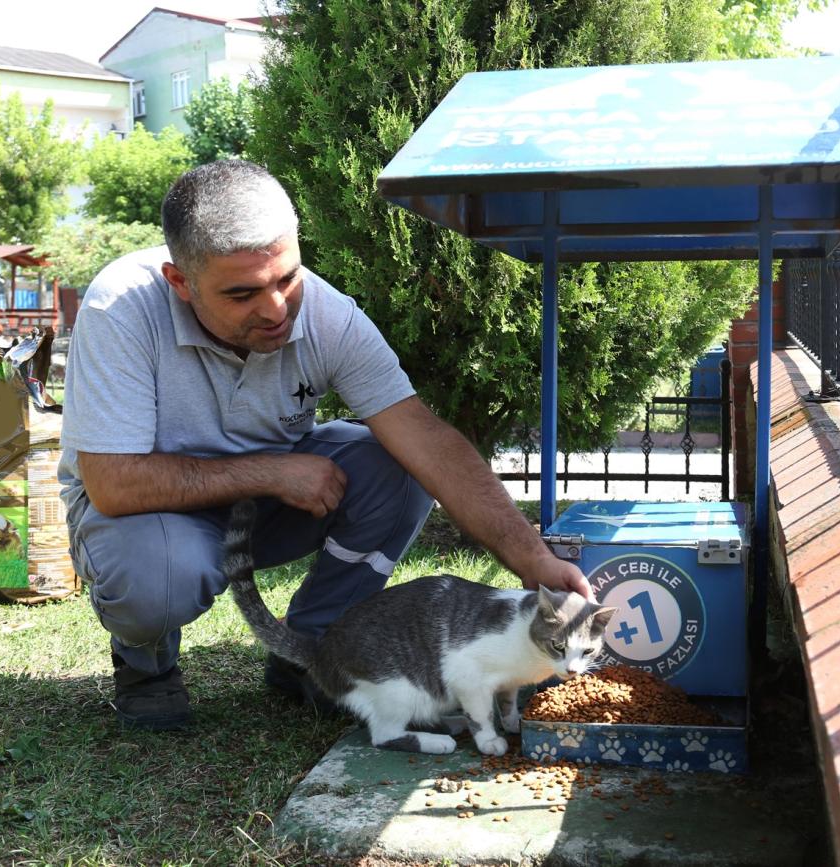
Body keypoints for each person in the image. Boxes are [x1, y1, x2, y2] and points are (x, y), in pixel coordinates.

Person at [58, 159, 591, 731]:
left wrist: (532, 557)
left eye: (287, 279)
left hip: (262, 508)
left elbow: (427, 442)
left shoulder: (329, 314)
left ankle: (312, 653)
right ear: (180, 282)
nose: (276, 309)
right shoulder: (120, 309)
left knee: (401, 465)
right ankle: (148, 664)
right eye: (241, 295)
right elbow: (113, 483)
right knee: (159, 578)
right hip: (148, 514)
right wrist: (270, 473)